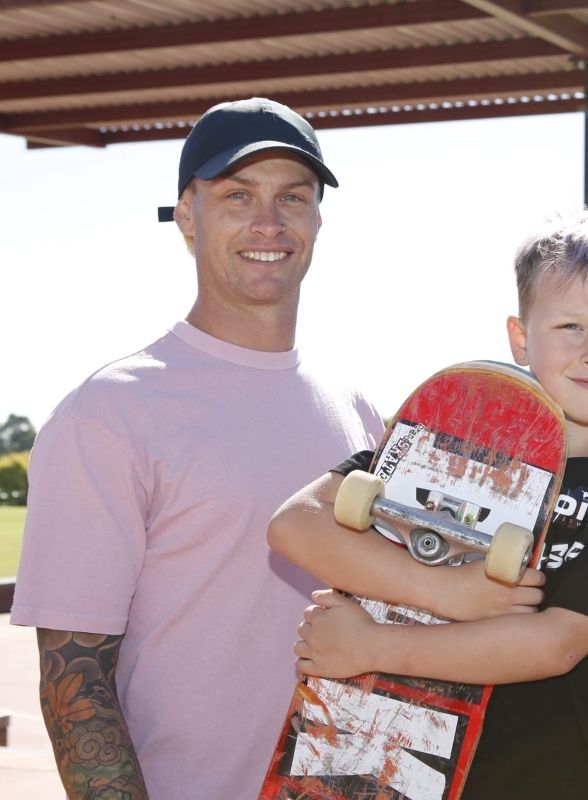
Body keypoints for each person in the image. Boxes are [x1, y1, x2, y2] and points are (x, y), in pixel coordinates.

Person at [10, 97, 484, 800]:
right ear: (189, 218)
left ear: (318, 221)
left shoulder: (357, 411)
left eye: (293, 197)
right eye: (238, 196)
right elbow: (74, 682)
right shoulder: (107, 414)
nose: (270, 222)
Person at [269, 209, 588, 799]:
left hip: (576, 781)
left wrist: (371, 646)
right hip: (420, 772)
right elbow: (296, 524)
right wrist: (443, 591)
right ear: (520, 337)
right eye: (570, 326)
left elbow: (555, 644)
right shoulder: (447, 440)